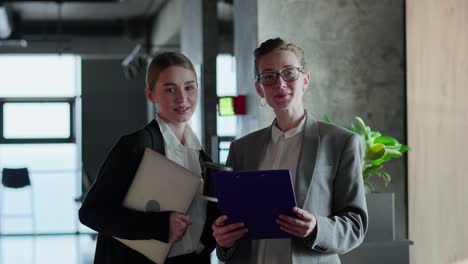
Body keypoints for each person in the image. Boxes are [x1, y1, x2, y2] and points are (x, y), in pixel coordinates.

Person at [212, 38, 368, 264]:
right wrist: (224, 240)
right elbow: (231, 223)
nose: (280, 83)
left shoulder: (341, 142)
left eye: (289, 73)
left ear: (305, 80)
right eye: (269, 76)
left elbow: (356, 224)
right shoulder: (242, 149)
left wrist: (316, 227)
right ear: (259, 88)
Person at [79, 52, 219, 264]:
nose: (182, 98)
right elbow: (92, 212)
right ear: (150, 95)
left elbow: (205, 231)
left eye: (189, 87)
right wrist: (160, 226)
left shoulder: (204, 159)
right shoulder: (136, 146)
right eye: (170, 89)